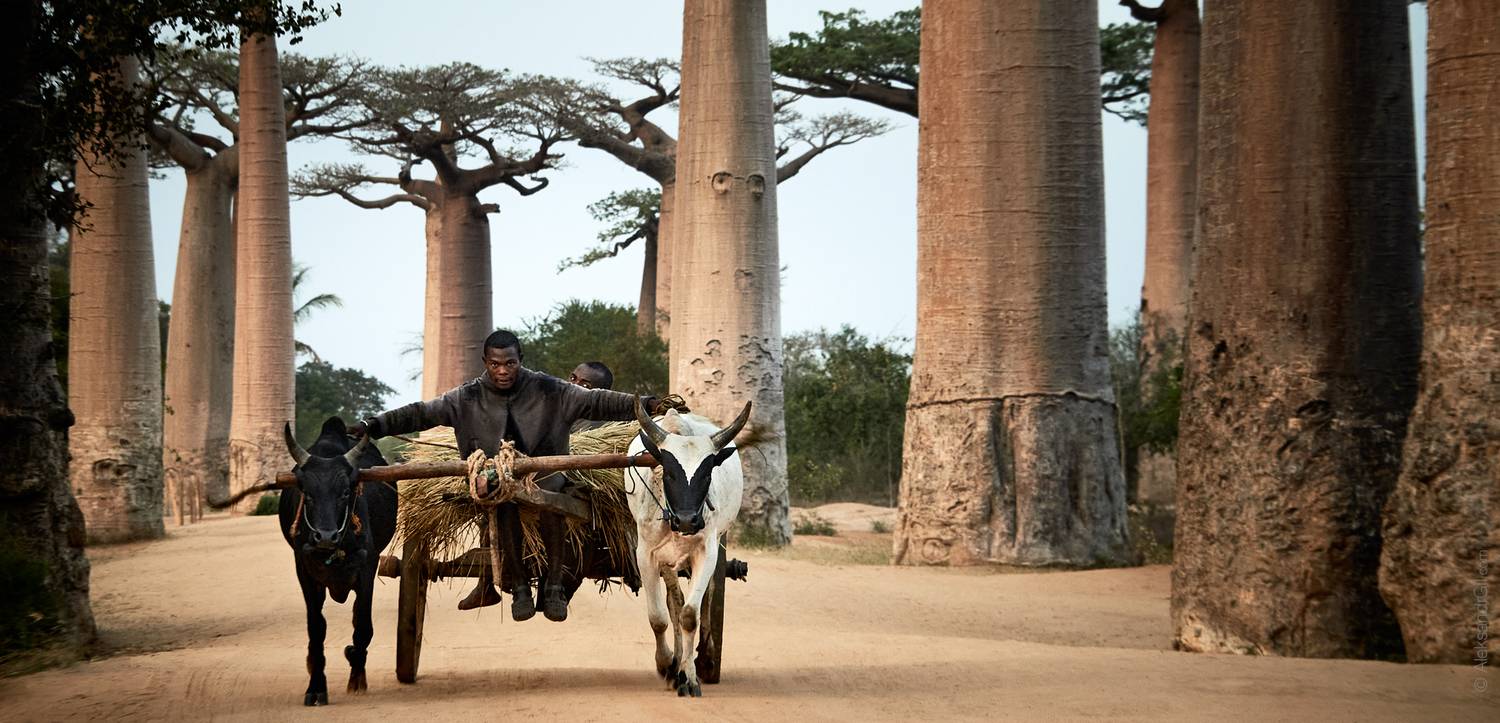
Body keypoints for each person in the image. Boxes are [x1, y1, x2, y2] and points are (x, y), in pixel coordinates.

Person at [352, 330, 664, 622]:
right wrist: (373, 425)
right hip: (490, 479)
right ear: (485, 363)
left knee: (552, 496)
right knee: (503, 498)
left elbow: (598, 401)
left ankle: (554, 585)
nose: (503, 371)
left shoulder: (551, 390)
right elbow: (418, 413)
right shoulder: (465, 398)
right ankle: (518, 588)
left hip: (547, 477)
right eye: (495, 364)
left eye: (510, 364)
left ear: (520, 360)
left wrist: (647, 404)